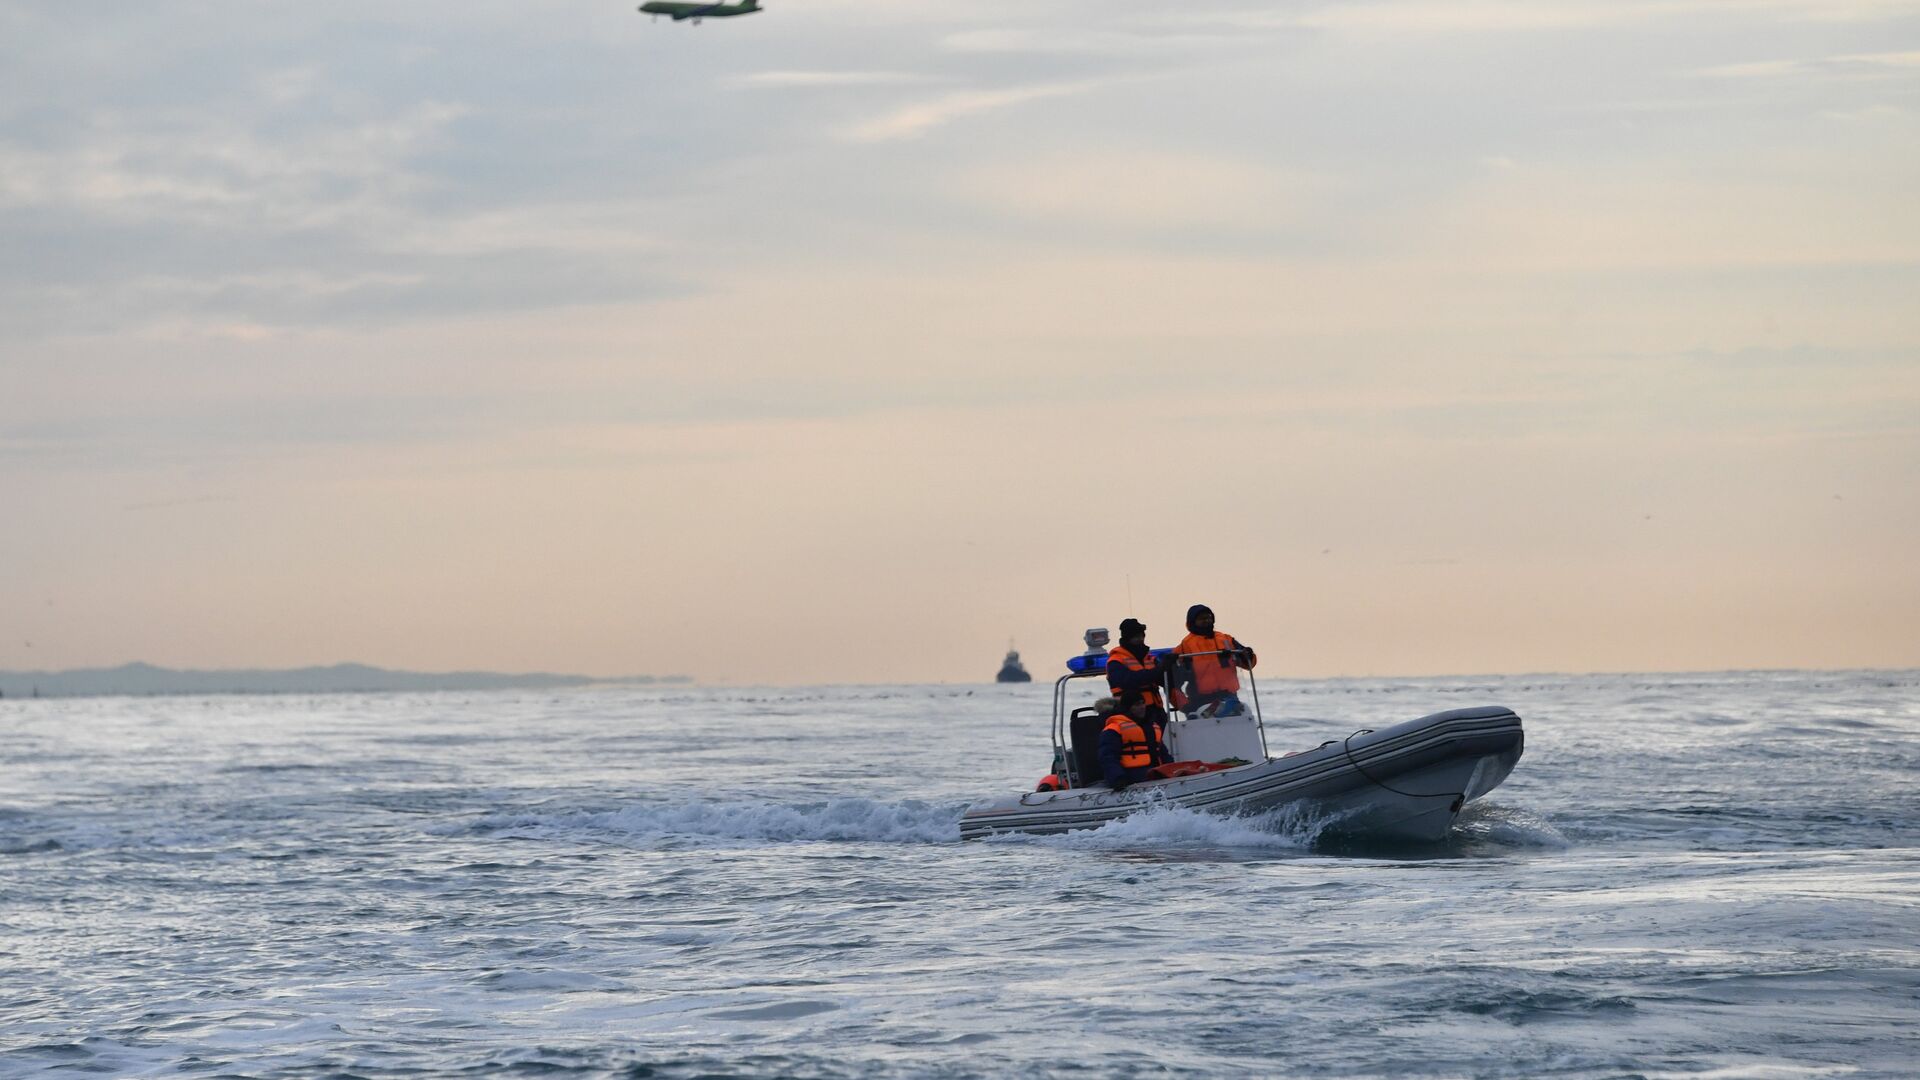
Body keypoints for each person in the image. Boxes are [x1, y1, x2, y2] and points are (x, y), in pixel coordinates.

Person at [1106, 617, 1173, 760]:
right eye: (1136, 636)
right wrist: (1157, 671)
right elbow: (1126, 680)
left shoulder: (1151, 658)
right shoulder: (1116, 660)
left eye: (1142, 635)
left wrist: (1173, 668)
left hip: (1156, 710)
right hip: (1131, 712)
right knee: (1146, 744)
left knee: (1160, 744)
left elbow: (1165, 679)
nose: (1140, 639)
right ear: (1127, 637)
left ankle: (1165, 766)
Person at [1173, 603, 1257, 715]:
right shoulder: (1185, 646)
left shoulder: (1226, 640)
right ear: (1192, 622)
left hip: (1229, 697)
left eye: (1209, 617)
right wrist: (1185, 706)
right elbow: (1174, 678)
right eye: (1202, 619)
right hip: (1200, 700)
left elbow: (1248, 664)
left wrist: (1248, 654)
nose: (1207, 621)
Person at [1099, 689, 1160, 790]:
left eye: (1143, 703)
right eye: (1137, 705)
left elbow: (1162, 753)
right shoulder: (1114, 728)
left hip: (1151, 774)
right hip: (1129, 776)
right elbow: (1107, 756)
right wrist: (1117, 778)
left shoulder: (1151, 727)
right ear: (1128, 708)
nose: (1142, 707)